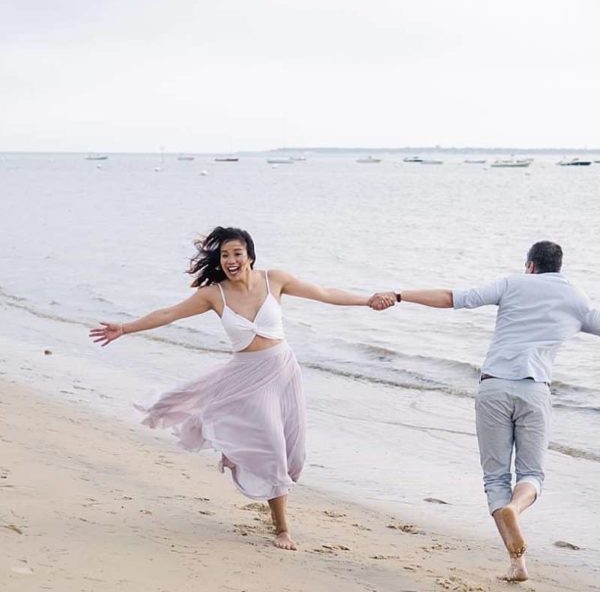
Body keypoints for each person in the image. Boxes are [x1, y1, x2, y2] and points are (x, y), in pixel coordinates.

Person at [90, 226, 390, 551]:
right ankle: (282, 529)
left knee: (295, 452)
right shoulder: (213, 294)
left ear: (249, 254)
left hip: (284, 373)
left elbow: (325, 293)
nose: (231, 260)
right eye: (224, 255)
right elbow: (169, 313)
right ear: (219, 261)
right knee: (273, 447)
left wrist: (366, 300)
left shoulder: (274, 279)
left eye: (237, 253)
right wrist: (125, 327)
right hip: (247, 378)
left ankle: (256, 470)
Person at [369, 241, 600, 581]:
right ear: (559, 267)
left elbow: (453, 298)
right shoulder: (576, 300)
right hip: (535, 392)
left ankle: (517, 564)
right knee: (532, 475)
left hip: (494, 387)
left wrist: (399, 295)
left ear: (531, 266)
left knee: (495, 479)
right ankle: (516, 510)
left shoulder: (511, 283)